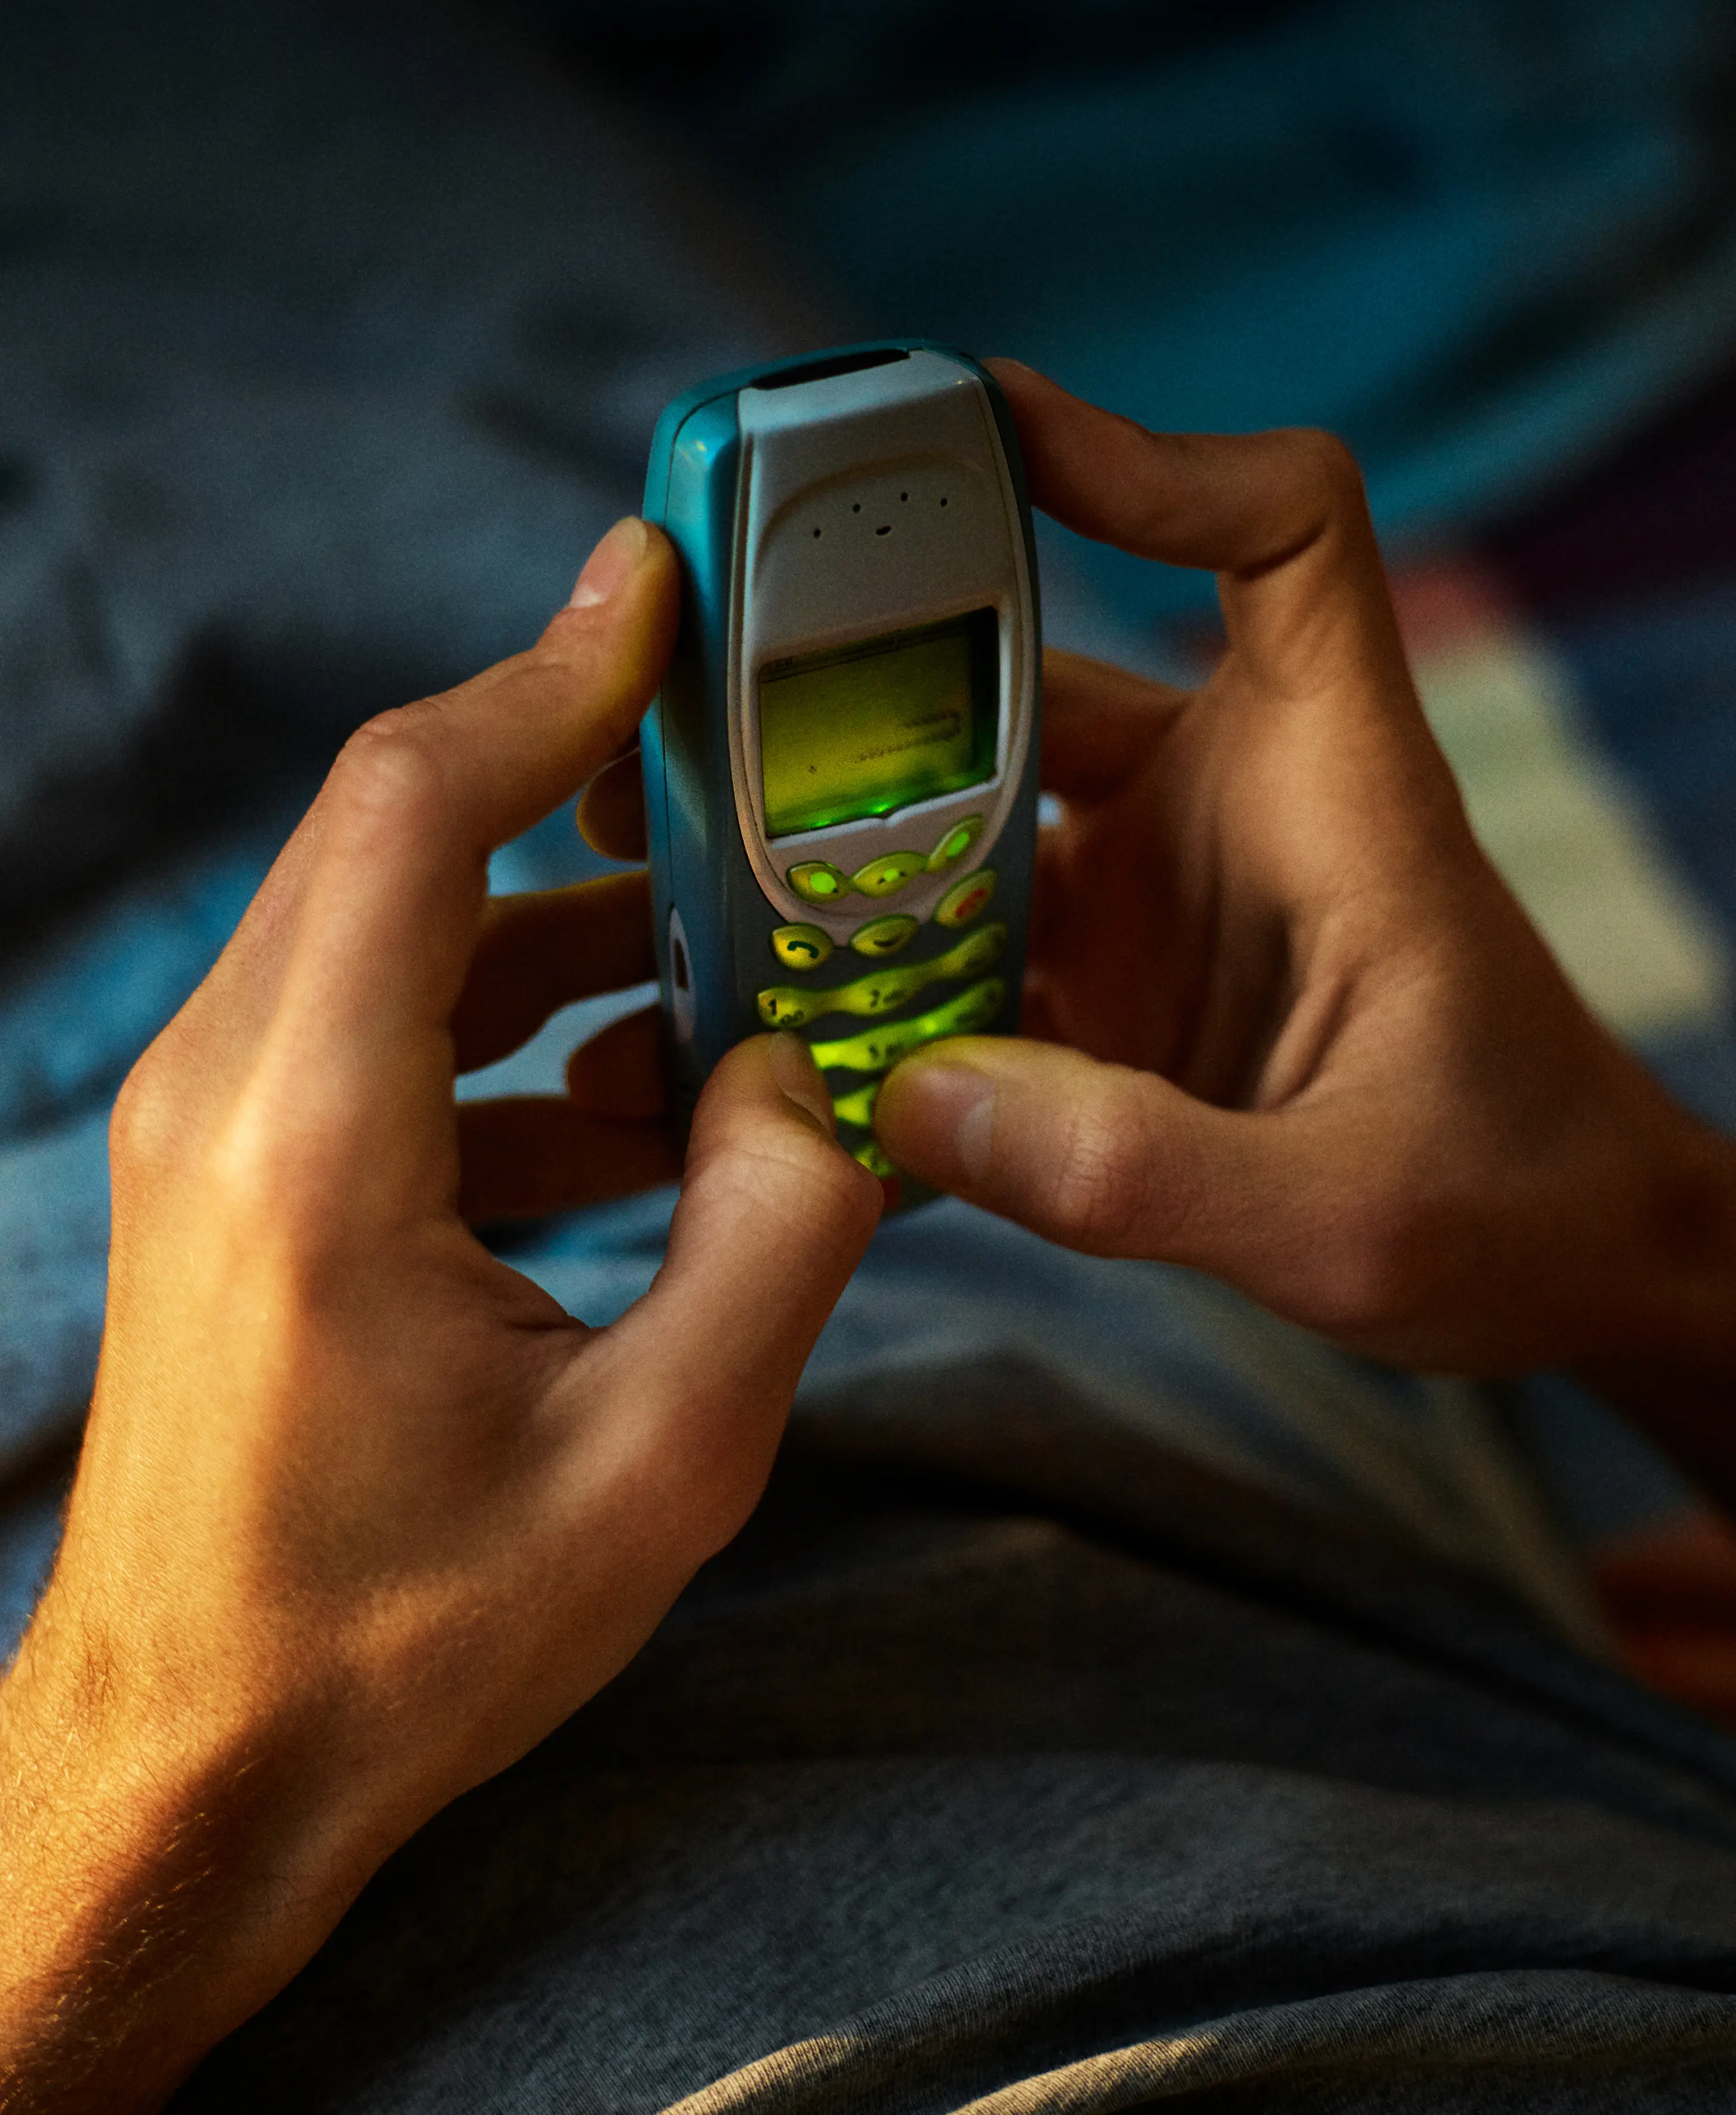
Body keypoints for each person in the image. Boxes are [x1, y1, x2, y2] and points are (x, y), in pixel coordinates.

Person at [5, 363, 1736, 2113]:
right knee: (438, 377)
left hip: (146, 1389)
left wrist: (162, 1780)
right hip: (1080, 1275)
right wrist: (1660, 1252)